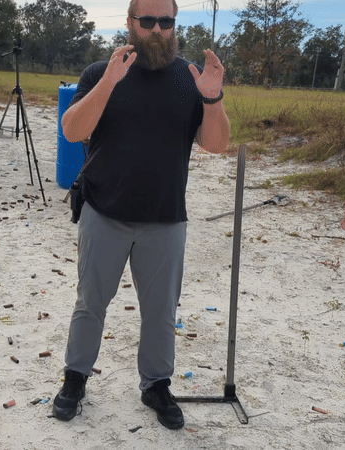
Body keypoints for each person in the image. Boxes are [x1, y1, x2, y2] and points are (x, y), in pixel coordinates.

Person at [52, 0, 230, 430]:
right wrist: (109, 83)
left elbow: (217, 143)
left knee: (160, 311)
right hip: (104, 211)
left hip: (165, 218)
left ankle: (156, 385)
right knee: (90, 303)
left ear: (174, 25)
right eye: (146, 21)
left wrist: (212, 97)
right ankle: (75, 378)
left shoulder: (190, 80)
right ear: (130, 24)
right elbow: (73, 130)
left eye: (164, 21)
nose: (156, 30)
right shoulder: (101, 71)